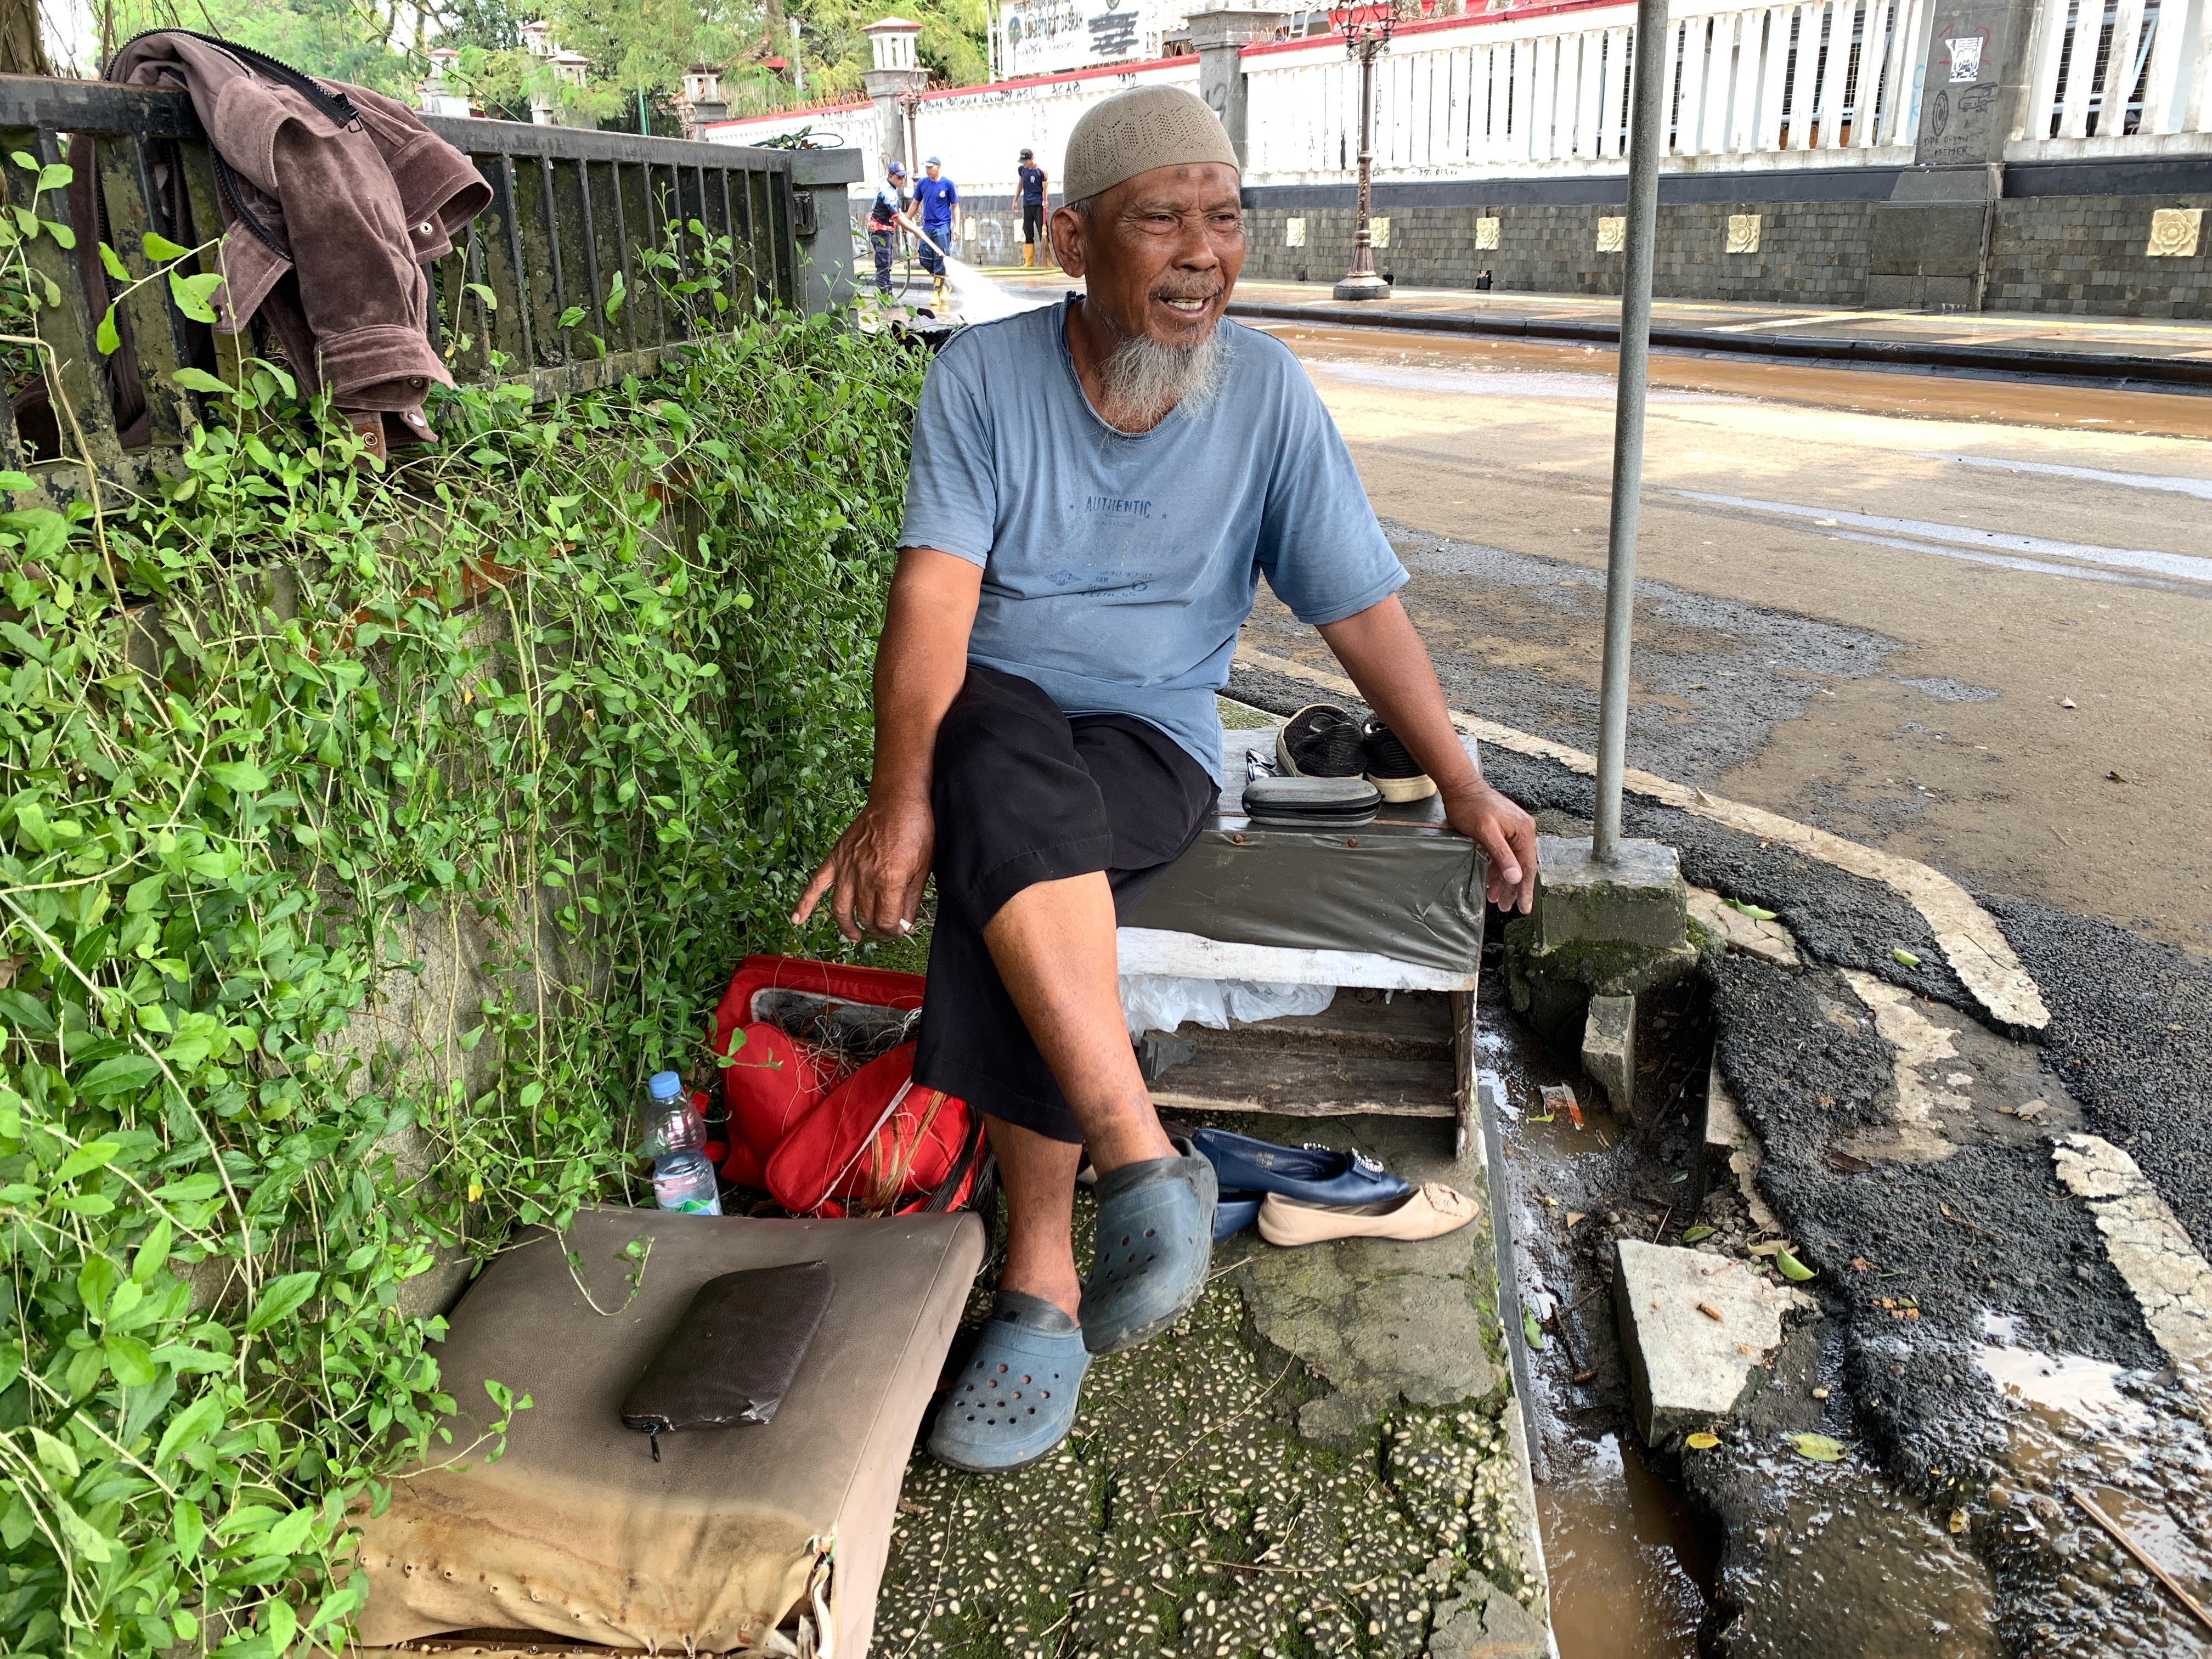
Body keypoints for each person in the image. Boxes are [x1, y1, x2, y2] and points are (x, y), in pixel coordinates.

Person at [791, 86, 1537, 1476]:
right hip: (996, 721)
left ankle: (1045, 1285)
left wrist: (1463, 782)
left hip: (1151, 750)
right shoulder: (982, 380)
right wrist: (899, 797)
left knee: (999, 829)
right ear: (1073, 239)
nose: (1203, 252)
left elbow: (1359, 609)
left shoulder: (1267, 396)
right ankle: (1137, 1173)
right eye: (1162, 220)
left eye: (1226, 217)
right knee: (989, 754)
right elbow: (934, 609)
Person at [910, 155, 957, 307]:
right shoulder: (923, 183)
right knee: (924, 258)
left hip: (942, 227)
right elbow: (915, 203)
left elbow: (955, 206)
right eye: (926, 167)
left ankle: (936, 292)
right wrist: (905, 222)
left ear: (938, 167)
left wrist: (956, 227)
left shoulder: (948, 184)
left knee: (940, 260)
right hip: (927, 228)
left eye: (931, 167)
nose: (928, 170)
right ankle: (943, 285)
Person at [865, 161, 911, 300]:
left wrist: (905, 225)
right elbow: (896, 216)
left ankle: (887, 297)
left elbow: (897, 214)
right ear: (891, 176)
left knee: (887, 263)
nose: (902, 180)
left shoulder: (892, 188)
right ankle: (884, 299)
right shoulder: (888, 191)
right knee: (883, 265)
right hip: (880, 232)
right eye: (899, 177)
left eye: (904, 177)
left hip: (886, 231)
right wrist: (916, 232)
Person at [1017, 146, 1047, 268]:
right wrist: (1015, 200)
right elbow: (1020, 185)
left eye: (1026, 161)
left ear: (1032, 159)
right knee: (1028, 231)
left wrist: (1045, 201)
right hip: (1027, 204)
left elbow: (1045, 189)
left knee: (1042, 231)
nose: (1024, 163)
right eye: (1023, 161)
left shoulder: (1041, 172)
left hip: (1038, 204)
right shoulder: (1022, 170)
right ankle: (1029, 262)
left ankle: (1045, 260)